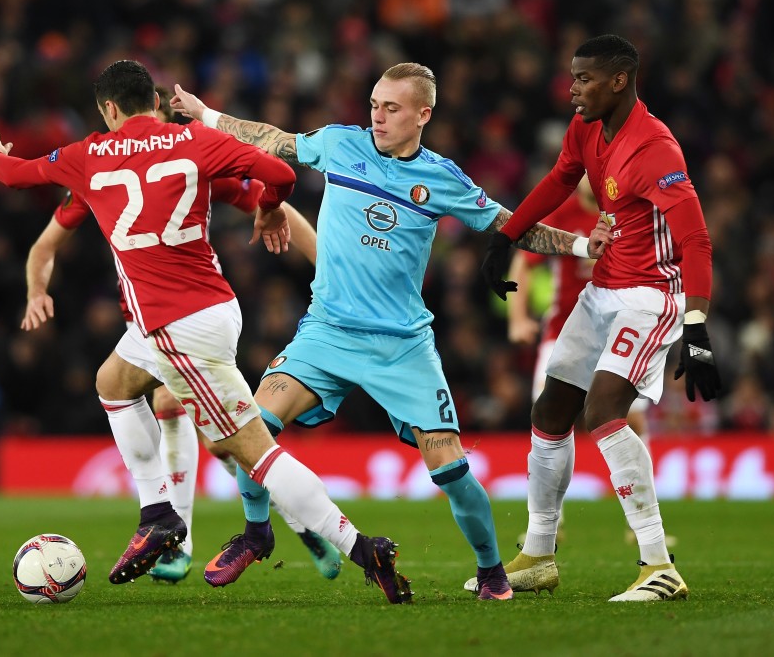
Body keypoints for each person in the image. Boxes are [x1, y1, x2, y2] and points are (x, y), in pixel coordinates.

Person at [0, 59, 412, 604]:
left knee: (253, 452)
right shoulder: (194, 140)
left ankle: (360, 548)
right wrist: (271, 210)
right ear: (155, 103)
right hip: (194, 313)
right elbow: (280, 175)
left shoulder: (88, 156)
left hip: (177, 326)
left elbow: (13, 176)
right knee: (113, 382)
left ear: (108, 109)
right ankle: (159, 514)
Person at [171, 62, 612, 601]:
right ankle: (256, 532)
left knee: (451, 472)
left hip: (402, 347)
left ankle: (493, 572)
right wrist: (206, 114)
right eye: (375, 105)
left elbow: (510, 225)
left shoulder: (441, 179)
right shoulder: (340, 145)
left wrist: (582, 246)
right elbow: (272, 139)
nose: (377, 116)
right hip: (327, 334)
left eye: (392, 108)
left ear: (423, 115)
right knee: (252, 427)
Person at [20, 89, 338, 585]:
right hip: (149, 322)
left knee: (211, 431)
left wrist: (328, 274)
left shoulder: (181, 165)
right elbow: (44, 247)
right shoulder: (99, 173)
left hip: (183, 316)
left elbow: (268, 198)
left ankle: (197, 536)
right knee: (211, 434)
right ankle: (268, 527)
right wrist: (36, 290)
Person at [479, 34, 721, 601]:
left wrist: (697, 326)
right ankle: (539, 553)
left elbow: (696, 240)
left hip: (651, 296)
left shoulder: (656, 149)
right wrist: (506, 237)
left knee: (605, 410)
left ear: (619, 80)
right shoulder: (585, 129)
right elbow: (558, 180)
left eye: (584, 79)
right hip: (603, 289)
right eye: (572, 77)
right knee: (550, 410)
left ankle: (658, 565)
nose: (573, 90)